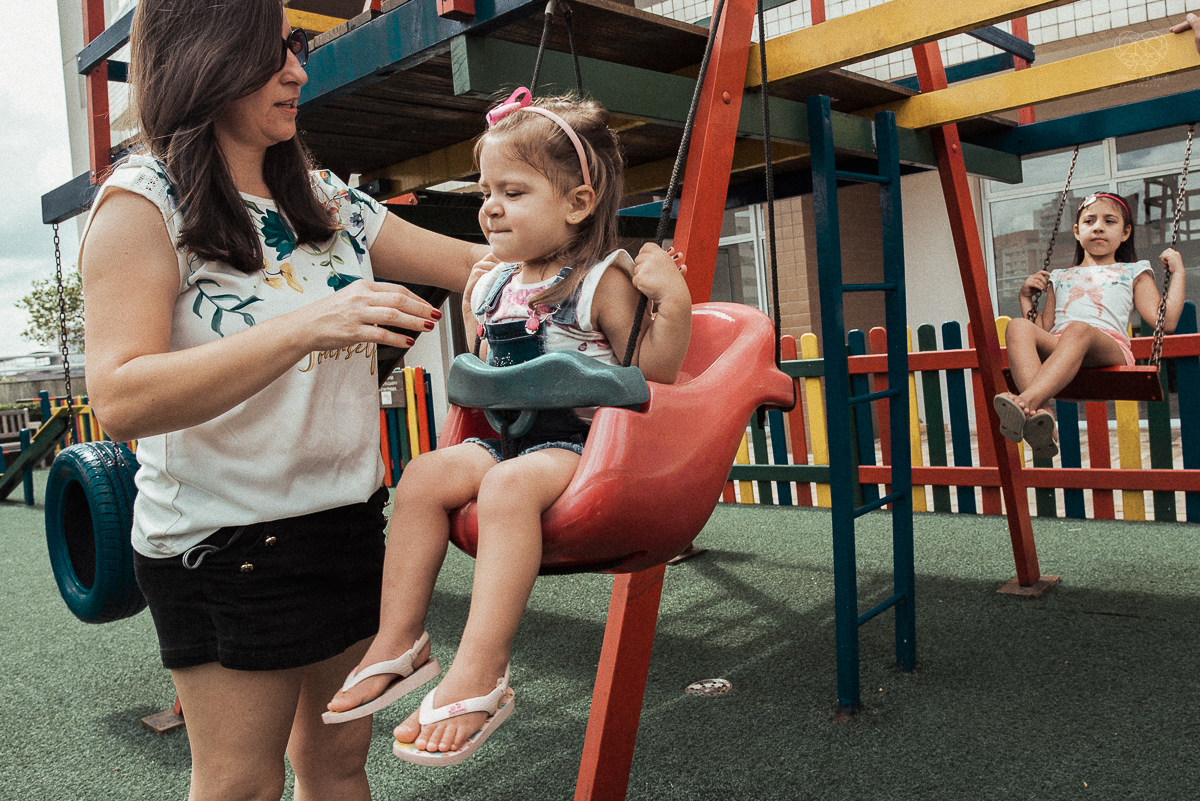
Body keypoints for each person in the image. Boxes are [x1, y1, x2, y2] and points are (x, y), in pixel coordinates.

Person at [79, 2, 489, 799]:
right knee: (243, 784)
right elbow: (121, 397)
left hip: (345, 523)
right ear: (205, 58)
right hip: (224, 542)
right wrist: (309, 326)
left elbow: (479, 267)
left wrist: (604, 265)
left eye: (295, 47)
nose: (299, 69)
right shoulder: (144, 202)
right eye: (272, 53)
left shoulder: (327, 199)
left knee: (338, 765)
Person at [324, 88, 692, 764]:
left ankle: (482, 669)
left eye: (513, 192)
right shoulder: (494, 280)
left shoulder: (602, 280)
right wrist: (475, 313)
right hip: (502, 436)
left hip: (580, 444)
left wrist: (674, 301)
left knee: (507, 487)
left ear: (578, 203)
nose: (490, 206)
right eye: (485, 191)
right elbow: (488, 366)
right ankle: (400, 640)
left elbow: (653, 376)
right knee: (424, 475)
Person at [996, 192, 1186, 459]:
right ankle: (1041, 417)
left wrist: (1178, 272)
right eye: (1089, 221)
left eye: (1109, 221)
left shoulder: (1134, 271)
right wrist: (1025, 298)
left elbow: (1165, 321)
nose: (1098, 227)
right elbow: (1043, 330)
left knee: (1079, 328)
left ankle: (1025, 402)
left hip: (1107, 348)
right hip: (1063, 346)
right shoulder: (1060, 277)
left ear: (1125, 232)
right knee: (1017, 326)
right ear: (1077, 231)